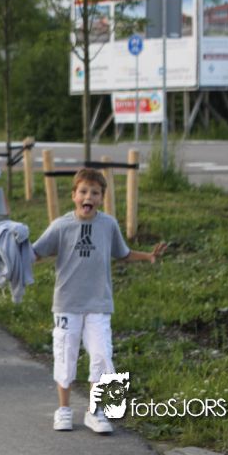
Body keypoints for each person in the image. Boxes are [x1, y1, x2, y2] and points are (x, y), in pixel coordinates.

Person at [33, 168, 167, 434]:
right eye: (83, 191)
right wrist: (12, 253)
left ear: (102, 198)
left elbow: (123, 253)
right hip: (67, 305)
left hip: (99, 304)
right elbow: (35, 253)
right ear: (74, 195)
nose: (88, 197)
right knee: (65, 356)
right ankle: (64, 409)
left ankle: (95, 412)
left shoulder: (108, 225)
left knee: (102, 356)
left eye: (95, 193)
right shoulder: (61, 226)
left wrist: (147, 257)